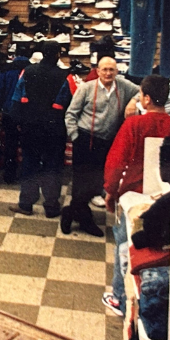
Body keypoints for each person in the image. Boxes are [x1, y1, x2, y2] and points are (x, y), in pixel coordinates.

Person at [104, 75, 170, 316]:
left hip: (134, 196)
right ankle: (152, 299)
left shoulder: (134, 125)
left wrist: (111, 191)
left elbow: (116, 162)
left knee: (125, 245)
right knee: (161, 250)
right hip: (169, 197)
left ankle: (120, 298)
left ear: (147, 98)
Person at [61, 57, 139, 237]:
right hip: (85, 139)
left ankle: (70, 212)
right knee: (82, 182)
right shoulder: (87, 88)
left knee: (97, 183)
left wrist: (133, 101)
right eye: (104, 69)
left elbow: (142, 90)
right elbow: (71, 114)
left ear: (117, 71)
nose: (108, 73)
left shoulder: (123, 86)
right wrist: (75, 136)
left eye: (111, 70)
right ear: (97, 71)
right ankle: (84, 219)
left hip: (107, 142)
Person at [8, 41, 67, 217]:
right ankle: (51, 207)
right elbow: (67, 102)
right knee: (52, 166)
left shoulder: (27, 71)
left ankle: (26, 204)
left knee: (30, 164)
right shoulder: (65, 75)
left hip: (30, 126)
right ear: (57, 55)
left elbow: (17, 98)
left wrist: (18, 121)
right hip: (54, 128)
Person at [0, 54, 29, 183]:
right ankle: (27, 173)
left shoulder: (5, 70)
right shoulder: (31, 70)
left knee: (10, 143)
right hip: (26, 112)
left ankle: (9, 174)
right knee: (27, 144)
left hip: (9, 112)